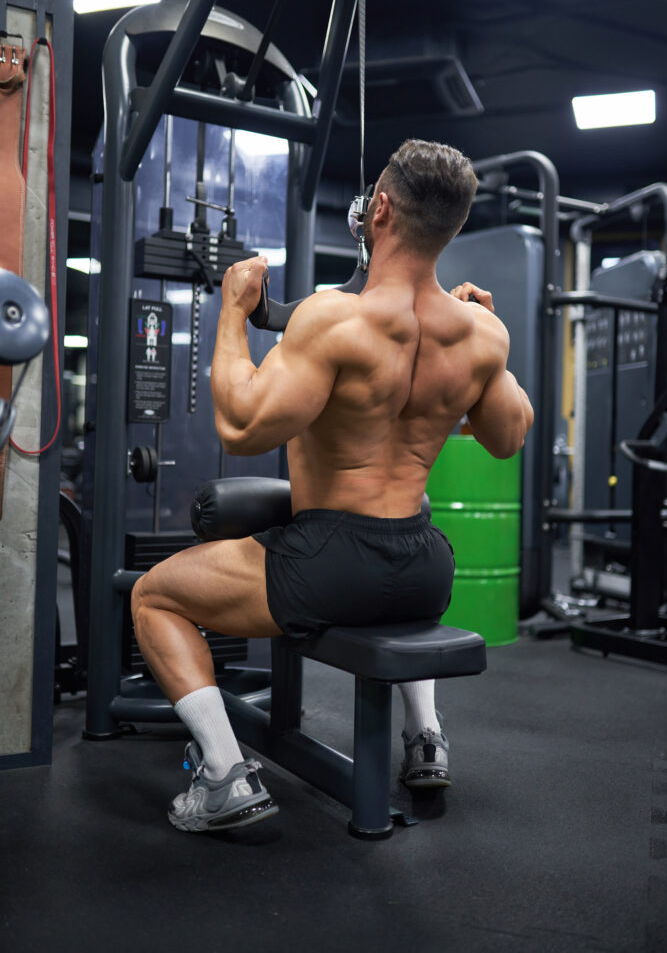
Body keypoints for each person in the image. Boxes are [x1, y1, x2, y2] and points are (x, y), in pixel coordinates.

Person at [131, 139, 534, 832]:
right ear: (456, 225)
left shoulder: (333, 318)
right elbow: (507, 437)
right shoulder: (481, 334)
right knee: (395, 574)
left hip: (328, 564)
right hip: (424, 568)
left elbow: (241, 427)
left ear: (380, 210)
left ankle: (224, 775)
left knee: (153, 595)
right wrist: (487, 340)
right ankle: (426, 736)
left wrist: (232, 311)